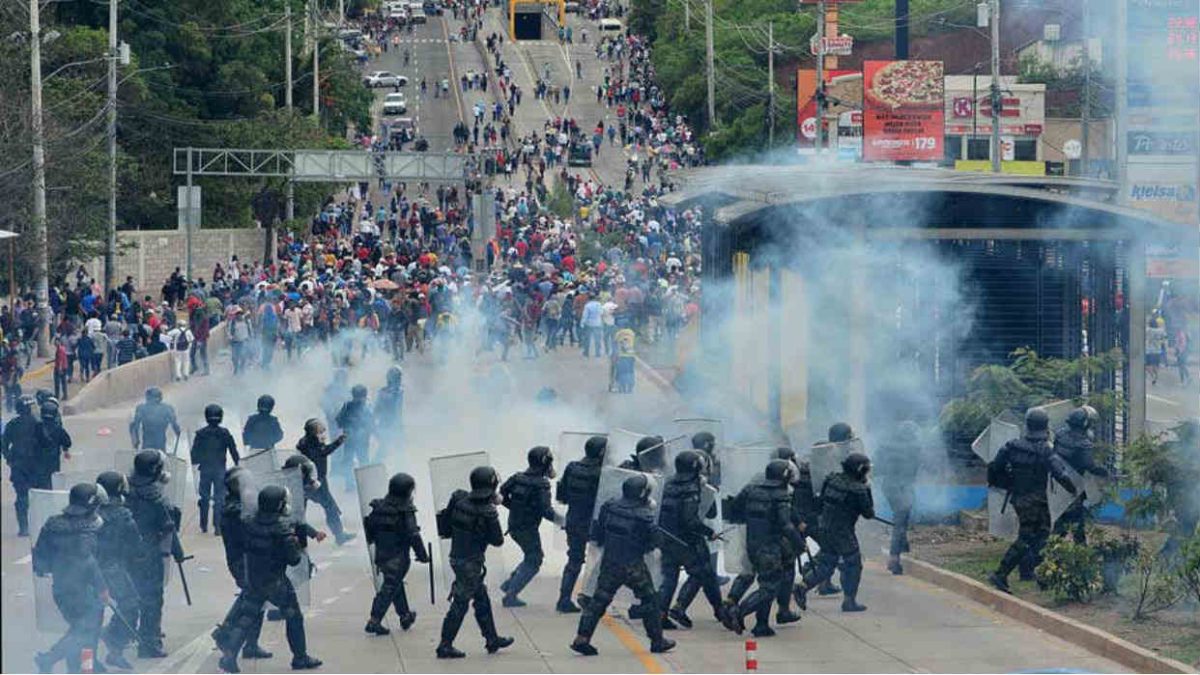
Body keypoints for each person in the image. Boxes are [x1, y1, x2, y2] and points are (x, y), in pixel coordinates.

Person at [216, 486, 323, 673]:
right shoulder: (283, 531)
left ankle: (229, 656)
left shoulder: (249, 524)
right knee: (294, 617)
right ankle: (300, 657)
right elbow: (294, 559)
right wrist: (296, 544)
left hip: (254, 578)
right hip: (276, 582)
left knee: (247, 617)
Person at [569, 474, 675, 656]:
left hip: (610, 562)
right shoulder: (644, 516)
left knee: (598, 601)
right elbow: (656, 542)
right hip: (633, 565)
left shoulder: (609, 507)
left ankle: (582, 638)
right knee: (651, 600)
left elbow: (599, 532)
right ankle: (658, 641)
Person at [986, 408, 1078, 593]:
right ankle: (1001, 573)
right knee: (1028, 537)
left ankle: (1040, 575)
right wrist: (1073, 490)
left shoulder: (1011, 446)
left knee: (1042, 535)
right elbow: (1060, 473)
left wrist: (1008, 482)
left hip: (1018, 498)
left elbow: (994, 468)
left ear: (1027, 425)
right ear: (1044, 427)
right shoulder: (1044, 450)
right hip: (1036, 501)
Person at [435, 465, 514, 658]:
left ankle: (492, 639)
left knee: (481, 597)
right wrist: (493, 508)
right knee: (460, 603)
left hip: (458, 557)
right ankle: (445, 645)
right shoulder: (487, 511)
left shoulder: (459, 500)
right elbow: (497, 540)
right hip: (470, 562)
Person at [718, 459, 802, 636]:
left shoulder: (752, 490)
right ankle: (737, 612)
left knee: (766, 582)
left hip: (752, 542)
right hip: (770, 546)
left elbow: (733, 509)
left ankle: (761, 625)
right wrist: (798, 543)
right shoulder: (781, 495)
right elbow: (786, 525)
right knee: (770, 587)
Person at [32, 483, 109, 673]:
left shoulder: (52, 525)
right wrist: (102, 588)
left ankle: (83, 669)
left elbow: (39, 558)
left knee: (82, 630)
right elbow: (90, 563)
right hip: (85, 591)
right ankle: (51, 658)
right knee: (85, 632)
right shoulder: (90, 529)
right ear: (91, 505)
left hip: (60, 589)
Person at [796, 452, 876, 612]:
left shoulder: (832, 479)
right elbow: (869, 514)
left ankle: (803, 586)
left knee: (827, 562)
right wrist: (867, 489)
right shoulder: (859, 489)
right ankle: (849, 601)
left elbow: (820, 501)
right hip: (843, 532)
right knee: (853, 564)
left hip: (824, 527)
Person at [211, 467, 273, 663]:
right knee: (251, 599)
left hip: (249, 559)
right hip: (243, 561)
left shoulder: (240, 505)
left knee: (255, 598)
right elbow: (249, 535)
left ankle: (250, 643)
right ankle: (226, 634)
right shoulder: (235, 511)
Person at [126, 450, 184, 657]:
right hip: (149, 553)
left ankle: (127, 635)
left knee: (131, 594)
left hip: (126, 552)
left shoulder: (125, 489)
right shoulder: (157, 498)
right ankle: (149, 643)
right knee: (152, 597)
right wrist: (179, 552)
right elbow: (168, 527)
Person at [657, 450, 722, 630]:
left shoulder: (667, 483)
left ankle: (660, 615)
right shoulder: (692, 488)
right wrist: (709, 532)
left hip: (667, 536)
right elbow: (690, 520)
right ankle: (679, 608)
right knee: (700, 572)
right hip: (686, 540)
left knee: (669, 577)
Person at [363, 472, 431, 635]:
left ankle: (405, 615)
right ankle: (374, 620)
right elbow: (413, 534)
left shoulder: (379, 507)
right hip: (398, 556)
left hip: (381, 554)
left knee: (394, 584)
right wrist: (422, 555)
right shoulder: (404, 510)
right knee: (390, 587)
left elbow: (369, 530)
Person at [499, 446, 560, 607]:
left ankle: (509, 584)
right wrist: (564, 521)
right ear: (545, 462)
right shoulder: (541, 484)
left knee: (530, 555)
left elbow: (501, 493)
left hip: (514, 525)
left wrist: (514, 507)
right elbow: (546, 511)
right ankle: (510, 595)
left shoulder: (517, 477)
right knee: (534, 559)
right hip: (527, 528)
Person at [95, 471, 142, 670]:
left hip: (89, 569)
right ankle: (114, 644)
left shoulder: (90, 511)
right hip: (112, 568)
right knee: (130, 605)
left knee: (90, 615)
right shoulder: (123, 516)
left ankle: (84, 658)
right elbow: (136, 546)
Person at [554, 435, 606, 613]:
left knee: (574, 560)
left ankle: (563, 599)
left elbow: (562, 495)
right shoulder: (601, 472)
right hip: (594, 523)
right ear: (601, 452)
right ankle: (589, 596)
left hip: (574, 519)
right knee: (603, 559)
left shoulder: (572, 467)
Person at [1051, 408, 1108, 545]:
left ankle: (1069, 546)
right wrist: (1104, 471)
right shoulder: (1084, 444)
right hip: (1074, 485)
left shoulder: (1060, 435)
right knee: (1071, 519)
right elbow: (1089, 465)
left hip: (1056, 482)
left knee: (1069, 517)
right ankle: (1052, 549)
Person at [296, 419, 354, 544]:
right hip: (312, 482)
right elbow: (321, 453)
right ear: (312, 432)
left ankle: (339, 535)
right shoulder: (309, 444)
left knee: (328, 507)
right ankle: (338, 536)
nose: (323, 433)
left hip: (317, 480)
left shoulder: (311, 442)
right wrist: (338, 442)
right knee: (328, 507)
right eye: (320, 430)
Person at [876, 421, 921, 574]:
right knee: (900, 520)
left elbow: (878, 467)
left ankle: (903, 545)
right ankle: (894, 558)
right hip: (902, 487)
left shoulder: (885, 446)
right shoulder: (914, 448)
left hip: (888, 485)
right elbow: (914, 469)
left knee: (902, 517)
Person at [191, 404, 241, 535]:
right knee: (220, 498)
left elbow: (194, 454)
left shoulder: (201, 434)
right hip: (220, 469)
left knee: (204, 497)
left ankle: (203, 525)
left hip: (205, 470)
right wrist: (238, 463)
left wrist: (198, 460)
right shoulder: (224, 433)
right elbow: (233, 450)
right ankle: (218, 526)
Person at [3, 396, 43, 536]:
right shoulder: (38, 423)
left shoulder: (12, 424)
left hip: (18, 465)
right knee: (37, 495)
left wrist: (9, 457)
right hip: (35, 465)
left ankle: (24, 527)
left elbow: (3, 443)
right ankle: (37, 524)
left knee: (21, 496)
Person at [335, 385, 373, 485]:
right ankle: (349, 483)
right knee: (349, 461)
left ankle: (365, 483)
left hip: (362, 440)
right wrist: (349, 426)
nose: (359, 399)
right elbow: (338, 420)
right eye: (357, 396)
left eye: (361, 396)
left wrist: (364, 429)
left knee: (363, 462)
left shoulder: (368, 406)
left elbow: (371, 423)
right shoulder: (348, 406)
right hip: (350, 439)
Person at [129, 387, 180, 452]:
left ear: (147, 398)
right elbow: (174, 424)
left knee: (146, 457)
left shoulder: (141, 408)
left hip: (147, 445)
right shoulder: (167, 408)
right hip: (160, 445)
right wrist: (177, 431)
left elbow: (135, 426)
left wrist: (136, 441)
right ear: (160, 398)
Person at [373, 366, 404, 463]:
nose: (399, 379)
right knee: (384, 449)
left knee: (397, 449)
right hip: (388, 424)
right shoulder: (389, 392)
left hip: (392, 425)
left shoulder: (395, 391)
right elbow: (377, 409)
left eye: (399, 377)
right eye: (397, 377)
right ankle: (374, 465)